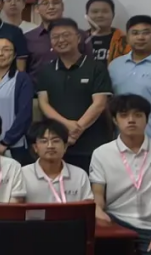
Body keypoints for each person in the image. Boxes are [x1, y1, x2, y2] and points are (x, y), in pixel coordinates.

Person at [90, 95, 151, 255]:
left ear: (147, 119)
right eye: (124, 115)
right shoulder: (101, 153)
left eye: (138, 115)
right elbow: (98, 194)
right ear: (115, 120)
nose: (131, 120)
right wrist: (98, 211)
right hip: (116, 221)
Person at [37, 18, 112, 172]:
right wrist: (67, 126)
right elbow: (43, 103)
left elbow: (99, 103)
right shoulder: (45, 70)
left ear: (78, 38)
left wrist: (77, 129)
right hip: (58, 143)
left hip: (92, 142)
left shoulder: (96, 67)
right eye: (55, 37)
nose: (61, 40)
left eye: (66, 35)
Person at [110, 15, 151, 147]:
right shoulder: (115, 66)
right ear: (127, 38)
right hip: (124, 143)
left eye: (146, 33)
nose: (140, 37)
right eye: (135, 33)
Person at [0, 37, 34, 164]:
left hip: (14, 146)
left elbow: (24, 115)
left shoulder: (22, 79)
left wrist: (6, 142)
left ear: (14, 54)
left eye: (6, 50)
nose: (0, 54)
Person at [25, 0, 91, 80]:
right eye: (45, 3)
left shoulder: (80, 35)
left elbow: (90, 66)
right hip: (37, 89)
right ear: (36, 9)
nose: (51, 7)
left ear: (62, 6)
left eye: (55, 3)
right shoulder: (27, 38)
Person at [21, 119, 93, 203]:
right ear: (35, 148)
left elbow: (88, 206)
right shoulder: (23, 174)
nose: (50, 146)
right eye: (44, 141)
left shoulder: (79, 175)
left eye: (55, 141)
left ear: (65, 147)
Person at [86, 0, 130, 65]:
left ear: (113, 15)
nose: (100, 15)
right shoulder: (77, 41)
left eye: (105, 11)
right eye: (95, 12)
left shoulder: (126, 41)